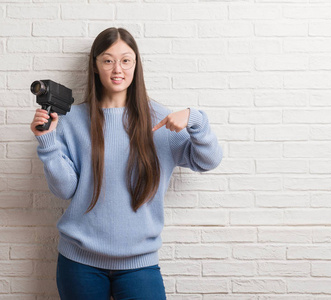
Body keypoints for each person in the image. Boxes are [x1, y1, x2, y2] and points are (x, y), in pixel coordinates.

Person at [30, 27, 222, 300]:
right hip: (79, 262)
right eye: (108, 60)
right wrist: (47, 142)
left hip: (139, 265)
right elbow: (65, 189)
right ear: (95, 66)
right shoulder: (71, 121)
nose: (117, 69)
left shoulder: (161, 119)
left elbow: (209, 161)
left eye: (126, 60)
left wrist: (197, 120)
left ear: (136, 64)